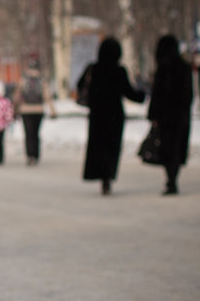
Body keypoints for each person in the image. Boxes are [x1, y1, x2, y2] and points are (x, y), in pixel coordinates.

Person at [79, 36, 145, 195]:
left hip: (97, 115)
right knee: (111, 147)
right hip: (115, 116)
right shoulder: (119, 71)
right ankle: (108, 176)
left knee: (98, 146)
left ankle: (101, 175)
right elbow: (129, 93)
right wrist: (142, 95)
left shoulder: (93, 69)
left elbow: (80, 85)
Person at [147, 34, 193, 195]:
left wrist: (154, 115)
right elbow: (188, 94)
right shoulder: (184, 67)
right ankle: (173, 180)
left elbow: (158, 94)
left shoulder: (164, 67)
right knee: (177, 148)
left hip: (166, 116)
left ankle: (171, 180)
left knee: (168, 149)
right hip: (181, 116)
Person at [13, 57, 54, 165]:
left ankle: (29, 155)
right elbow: (47, 95)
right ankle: (36, 155)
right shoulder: (41, 79)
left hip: (26, 110)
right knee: (36, 133)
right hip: (38, 110)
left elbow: (17, 95)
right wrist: (52, 110)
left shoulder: (24, 79)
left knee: (28, 134)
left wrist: (15, 108)